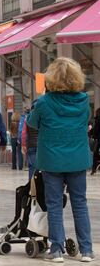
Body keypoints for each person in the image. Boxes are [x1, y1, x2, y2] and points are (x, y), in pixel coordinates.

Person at [27, 57, 94, 263]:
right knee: (80, 203)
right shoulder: (84, 100)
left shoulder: (44, 102)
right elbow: (85, 122)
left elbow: (32, 123)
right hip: (77, 158)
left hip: (51, 159)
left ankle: (56, 250)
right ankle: (86, 250)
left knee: (54, 204)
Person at [21, 115, 39, 180]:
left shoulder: (28, 119)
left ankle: (32, 185)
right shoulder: (43, 118)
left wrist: (23, 145)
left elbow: (23, 134)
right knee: (42, 167)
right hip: (42, 146)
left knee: (32, 167)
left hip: (31, 146)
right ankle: (40, 185)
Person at [90, 108, 100, 175]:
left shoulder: (98, 118)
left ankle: (94, 169)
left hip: (99, 139)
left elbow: (96, 128)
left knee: (95, 154)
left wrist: (93, 135)